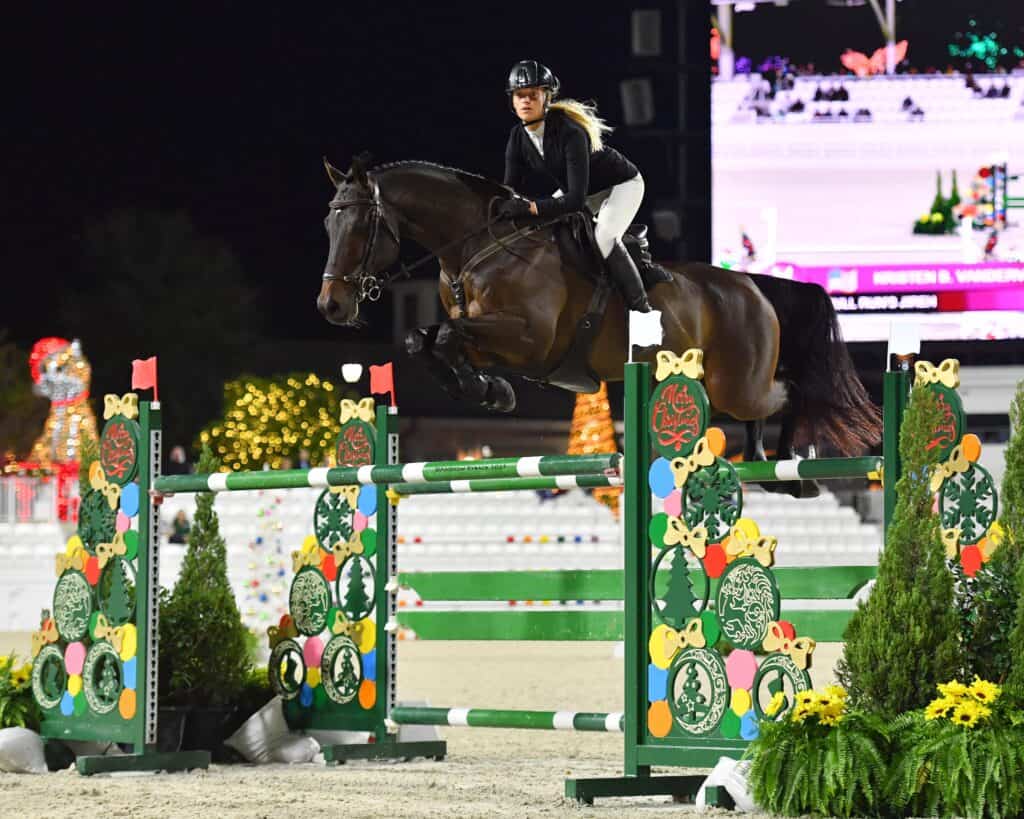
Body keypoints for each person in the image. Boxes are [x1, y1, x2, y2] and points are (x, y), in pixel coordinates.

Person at [498, 59, 652, 313]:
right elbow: (508, 189)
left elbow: (575, 201)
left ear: (546, 97)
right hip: (583, 188)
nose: (525, 100)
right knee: (551, 229)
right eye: (519, 95)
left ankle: (642, 311)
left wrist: (531, 207)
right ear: (513, 101)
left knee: (603, 237)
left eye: (532, 95)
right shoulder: (518, 136)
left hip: (621, 184)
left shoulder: (569, 132)